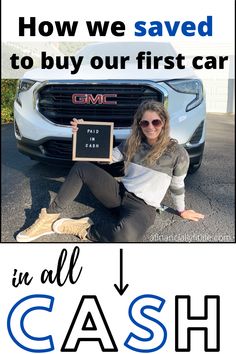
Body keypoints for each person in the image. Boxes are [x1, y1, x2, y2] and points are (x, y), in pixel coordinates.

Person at [16, 100, 204, 243]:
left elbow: (177, 185)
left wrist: (182, 210)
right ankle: (47, 219)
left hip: (143, 207)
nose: (151, 127)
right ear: (139, 124)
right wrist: (83, 132)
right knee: (82, 167)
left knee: (126, 235)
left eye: (156, 122)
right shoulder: (133, 142)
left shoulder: (178, 153)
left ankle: (84, 229)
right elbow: (105, 157)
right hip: (118, 194)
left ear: (164, 123)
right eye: (145, 123)